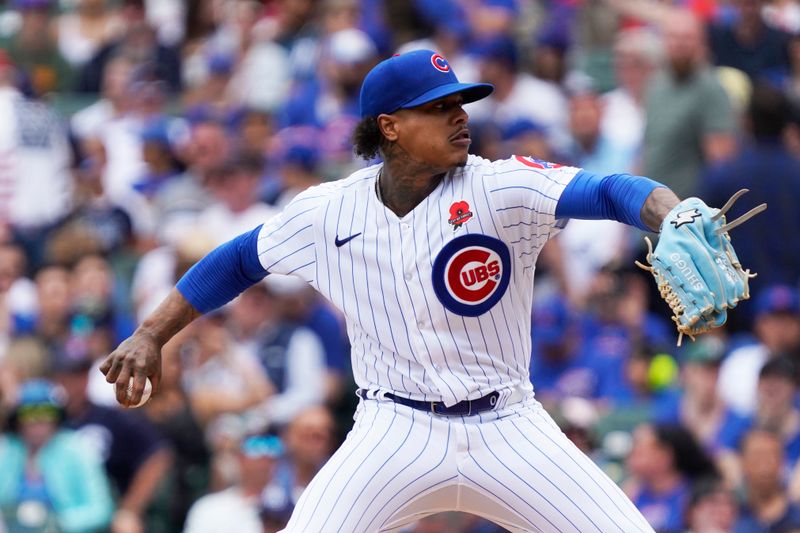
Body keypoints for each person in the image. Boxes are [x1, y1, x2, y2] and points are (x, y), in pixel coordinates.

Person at [102, 49, 728, 531]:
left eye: (462, 102)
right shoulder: (329, 211)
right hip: (392, 429)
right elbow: (238, 260)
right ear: (391, 126)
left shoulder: (501, 187)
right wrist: (151, 332)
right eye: (438, 106)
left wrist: (670, 212)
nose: (460, 116)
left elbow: (609, 189)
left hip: (509, 423)